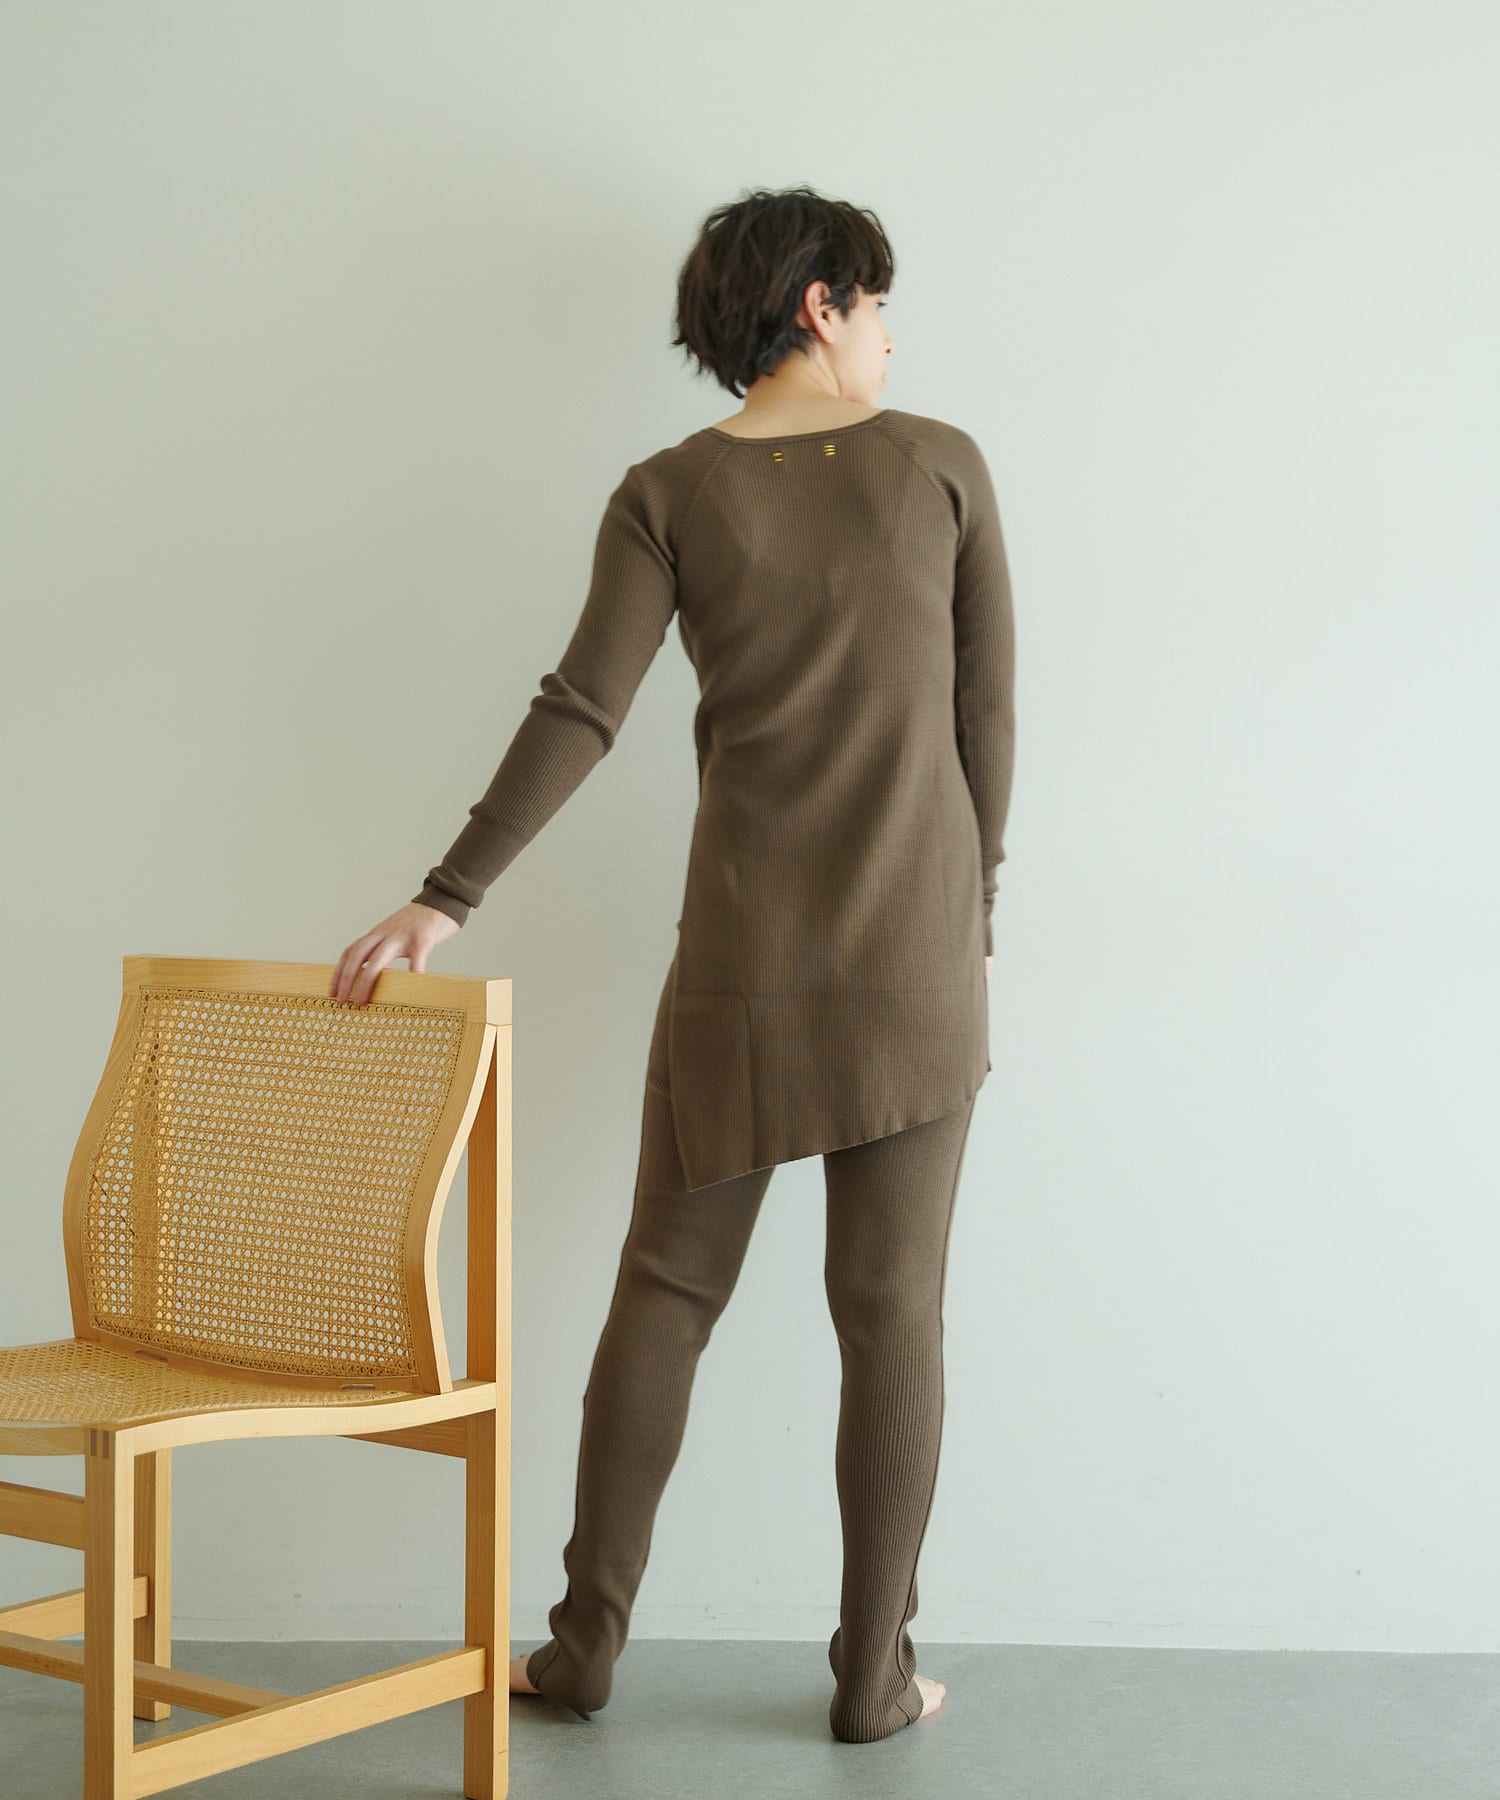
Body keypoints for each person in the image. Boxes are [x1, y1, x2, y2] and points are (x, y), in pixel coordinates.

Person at [328, 183, 1016, 1744]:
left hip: (741, 966)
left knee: (666, 1292)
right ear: (822, 305)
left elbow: (583, 706)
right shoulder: (944, 467)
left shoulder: (667, 493)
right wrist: (974, 916)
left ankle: (581, 1653)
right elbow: (987, 719)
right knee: (892, 1312)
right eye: (879, 305)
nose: (891, 337)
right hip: (917, 959)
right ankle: (873, 1678)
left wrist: (447, 898)